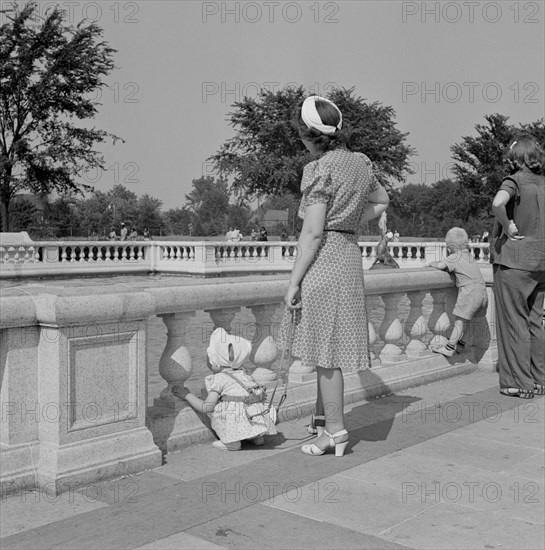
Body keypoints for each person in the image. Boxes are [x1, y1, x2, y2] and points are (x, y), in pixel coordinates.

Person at [283, 95, 389, 457]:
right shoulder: (360, 163)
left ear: (307, 134)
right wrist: (349, 222)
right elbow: (383, 200)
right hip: (348, 257)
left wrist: (294, 280)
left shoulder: (318, 169)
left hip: (325, 260)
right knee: (332, 344)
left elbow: (311, 234)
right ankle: (321, 420)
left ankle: (335, 432)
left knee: (326, 353)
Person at [491, 135, 545, 399]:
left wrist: (507, 224)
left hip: (515, 260)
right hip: (541, 260)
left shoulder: (514, 181)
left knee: (514, 322)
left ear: (515, 157)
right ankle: (539, 379)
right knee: (536, 321)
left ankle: (518, 382)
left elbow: (498, 203)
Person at [172, 328, 276, 450]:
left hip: (237, 420)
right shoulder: (245, 374)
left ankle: (232, 442)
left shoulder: (220, 379)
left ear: (216, 362)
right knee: (241, 405)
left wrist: (186, 394)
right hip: (257, 417)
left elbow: (206, 407)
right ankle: (255, 436)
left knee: (219, 409)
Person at [425, 227, 488, 357]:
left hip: (469, 293)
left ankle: (449, 347)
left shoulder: (454, 257)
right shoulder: (469, 257)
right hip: (482, 292)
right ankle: (461, 345)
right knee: (473, 321)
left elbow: (441, 266)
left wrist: (432, 264)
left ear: (451, 247)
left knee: (460, 321)